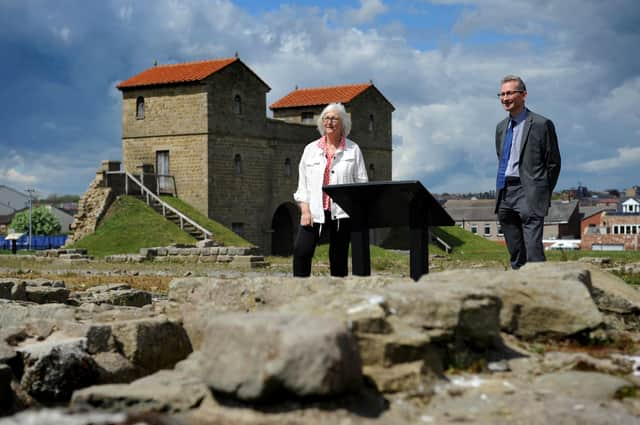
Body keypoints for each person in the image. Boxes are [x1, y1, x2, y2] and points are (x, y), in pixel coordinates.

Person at [293, 102, 368, 277]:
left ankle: (337, 295)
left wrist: (356, 209)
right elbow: (302, 184)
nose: (329, 122)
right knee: (301, 251)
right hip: (314, 210)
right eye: (326, 118)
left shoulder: (353, 150)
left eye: (334, 118)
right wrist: (305, 210)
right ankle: (299, 292)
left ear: (343, 124)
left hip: (342, 212)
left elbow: (362, 183)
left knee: (338, 257)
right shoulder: (310, 150)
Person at [494, 75, 561, 269]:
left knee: (533, 252)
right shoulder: (500, 128)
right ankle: (519, 293)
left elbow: (554, 163)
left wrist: (542, 191)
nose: (505, 98)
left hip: (529, 193)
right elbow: (501, 158)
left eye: (510, 93)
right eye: (502, 94)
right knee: (515, 253)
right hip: (505, 192)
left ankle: (542, 292)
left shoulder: (541, 124)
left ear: (524, 95)